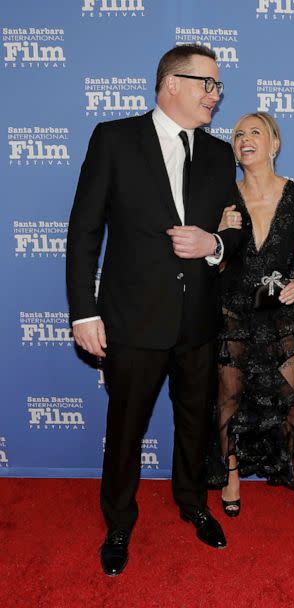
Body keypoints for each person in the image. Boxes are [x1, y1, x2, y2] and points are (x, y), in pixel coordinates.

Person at [66, 44, 245, 576]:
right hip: (132, 319)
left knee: (195, 423)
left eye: (218, 85)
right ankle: (118, 521)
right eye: (206, 83)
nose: (216, 94)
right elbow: (84, 232)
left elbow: (237, 235)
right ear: (170, 83)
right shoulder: (114, 139)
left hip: (197, 322)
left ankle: (193, 504)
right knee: (125, 428)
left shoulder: (217, 155)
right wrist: (84, 312)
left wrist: (212, 243)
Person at [208, 112, 294, 518]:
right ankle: (231, 476)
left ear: (274, 144)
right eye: (238, 134)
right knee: (228, 396)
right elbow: (215, 262)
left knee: (291, 398)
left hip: (279, 314)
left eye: (255, 132)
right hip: (233, 311)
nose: (245, 139)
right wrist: (219, 230)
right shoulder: (223, 197)